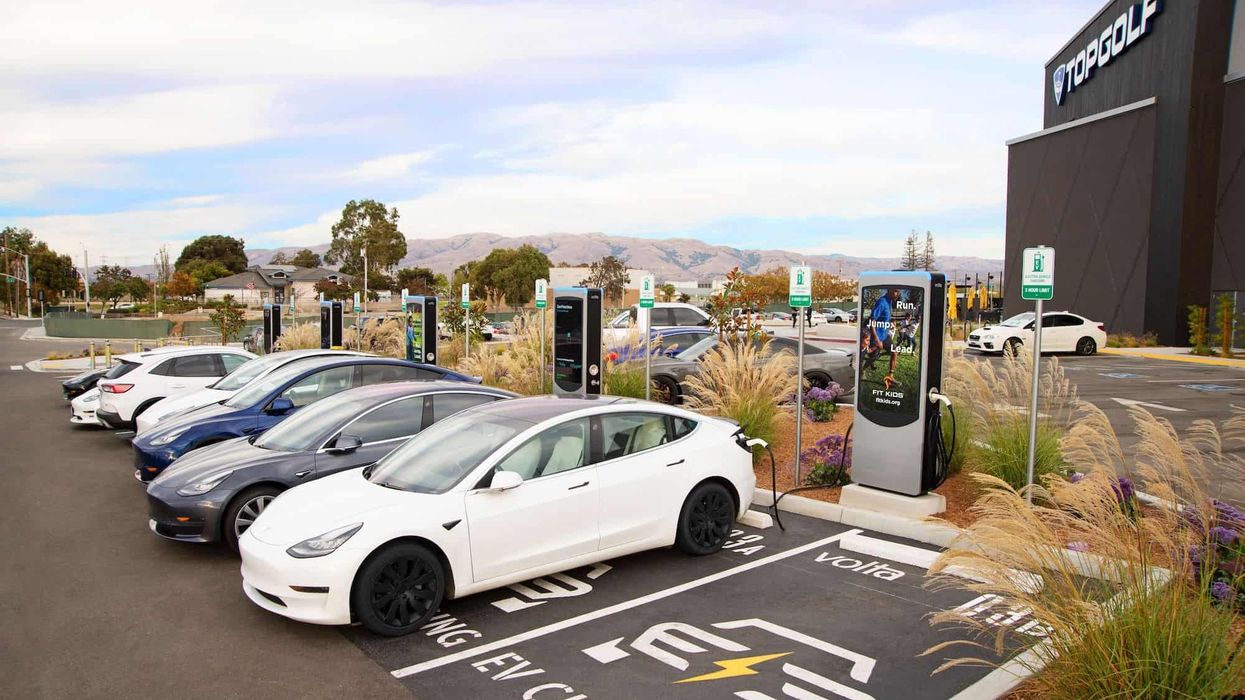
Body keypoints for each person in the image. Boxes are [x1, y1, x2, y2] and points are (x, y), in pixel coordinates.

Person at [863, 288, 900, 389]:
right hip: (877, 336)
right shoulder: (882, 302)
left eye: (898, 291)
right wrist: (876, 339)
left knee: (894, 352)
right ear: (889, 290)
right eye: (895, 291)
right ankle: (862, 370)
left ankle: (890, 377)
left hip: (885, 335)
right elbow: (872, 320)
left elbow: (885, 317)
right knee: (874, 357)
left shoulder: (889, 302)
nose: (897, 294)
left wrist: (891, 323)